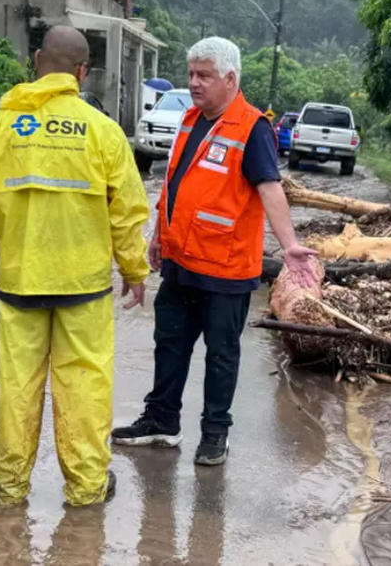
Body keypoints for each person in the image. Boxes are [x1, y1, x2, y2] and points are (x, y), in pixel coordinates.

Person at [0, 25, 151, 506]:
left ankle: (8, 486)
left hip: (21, 283)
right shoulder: (102, 131)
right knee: (84, 388)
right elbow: (127, 209)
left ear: (37, 60)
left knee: (18, 387)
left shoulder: (0, 127)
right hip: (83, 289)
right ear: (83, 72)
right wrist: (134, 270)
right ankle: (86, 490)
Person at [112, 37, 319, 466]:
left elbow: (270, 188)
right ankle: (162, 421)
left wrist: (290, 245)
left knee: (222, 355)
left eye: (203, 75)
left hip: (225, 271)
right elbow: (175, 184)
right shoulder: (190, 120)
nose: (194, 83)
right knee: (169, 344)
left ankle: (214, 434)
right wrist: (157, 236)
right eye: (191, 74)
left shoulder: (252, 128)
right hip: (181, 263)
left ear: (230, 78)